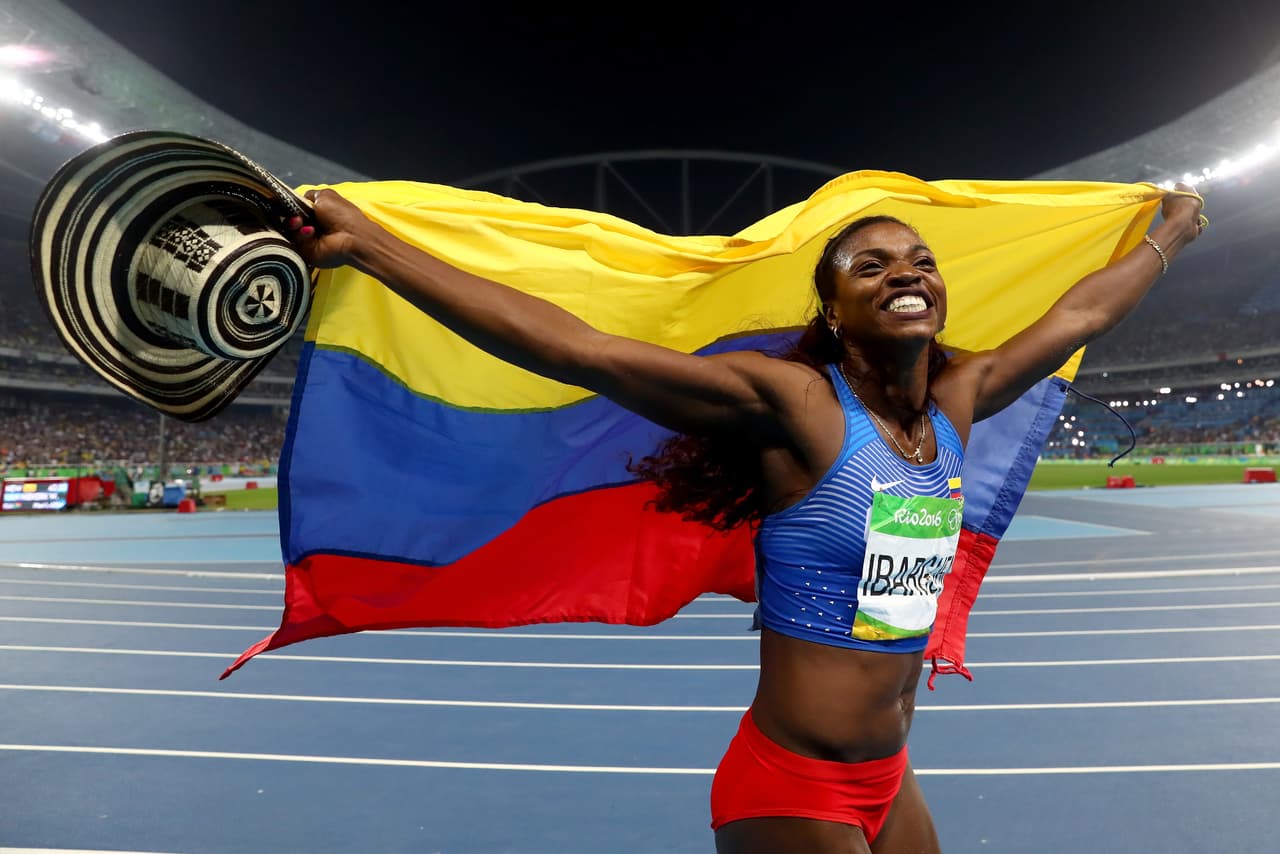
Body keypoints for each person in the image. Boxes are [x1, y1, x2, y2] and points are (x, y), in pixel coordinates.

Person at [284, 181, 1205, 853]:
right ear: (835, 312)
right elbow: (579, 348)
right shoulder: (797, 406)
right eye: (871, 265)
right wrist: (370, 246)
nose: (906, 273)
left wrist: (1170, 234)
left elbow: (1081, 310)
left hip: (889, 778)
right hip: (791, 787)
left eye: (922, 261)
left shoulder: (957, 402)